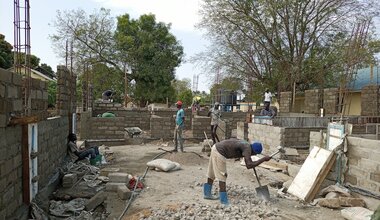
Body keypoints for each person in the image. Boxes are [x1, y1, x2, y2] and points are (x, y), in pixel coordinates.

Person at [203, 138, 271, 205]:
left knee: (211, 172)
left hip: (215, 147)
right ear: (254, 151)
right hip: (220, 152)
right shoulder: (247, 149)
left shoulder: (246, 144)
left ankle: (207, 193)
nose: (253, 155)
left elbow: (248, 160)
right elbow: (249, 165)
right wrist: (263, 159)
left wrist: (252, 160)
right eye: (254, 154)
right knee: (222, 175)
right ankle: (223, 200)